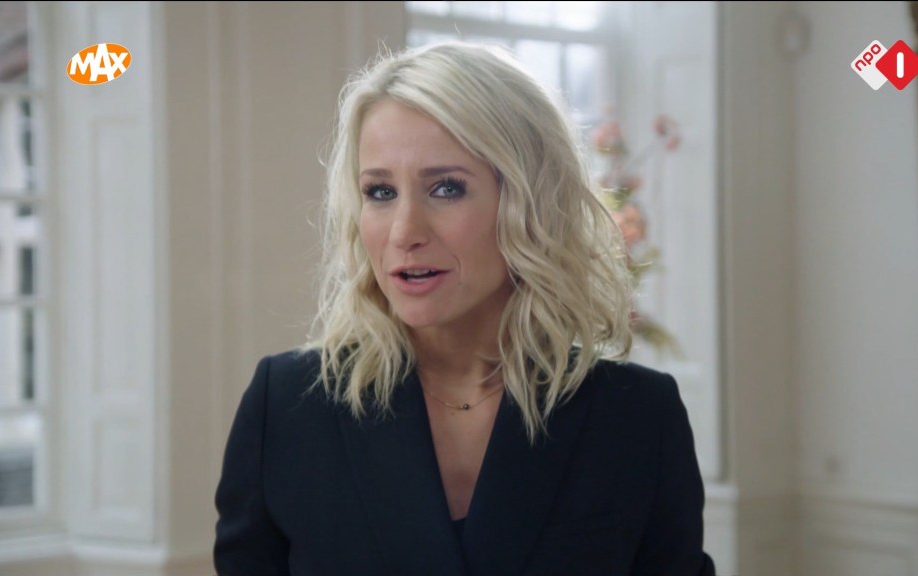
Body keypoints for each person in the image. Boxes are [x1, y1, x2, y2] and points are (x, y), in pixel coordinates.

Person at [213, 41, 716, 576]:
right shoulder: (286, 407)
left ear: (527, 203)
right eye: (380, 192)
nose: (404, 232)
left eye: (446, 188)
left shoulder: (636, 416)